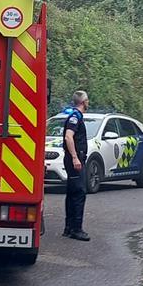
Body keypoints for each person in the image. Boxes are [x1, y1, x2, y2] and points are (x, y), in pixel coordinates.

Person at [61, 90, 91, 241]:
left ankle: (68, 228)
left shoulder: (76, 116)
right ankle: (76, 229)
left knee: (72, 192)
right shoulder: (75, 117)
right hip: (75, 160)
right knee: (79, 193)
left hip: (75, 159)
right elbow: (68, 137)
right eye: (87, 100)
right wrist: (75, 158)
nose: (88, 102)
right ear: (83, 102)